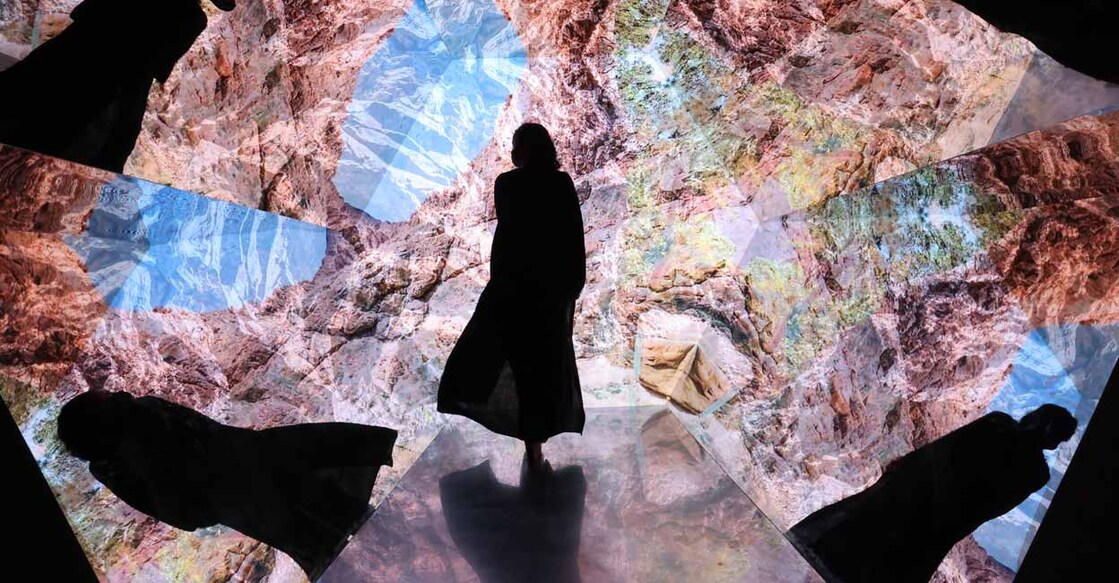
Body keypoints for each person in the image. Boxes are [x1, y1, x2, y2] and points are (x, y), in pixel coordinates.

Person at [56, 389, 396, 578]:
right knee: (342, 506)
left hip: (240, 504)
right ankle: (409, 542)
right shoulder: (140, 413)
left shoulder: (112, 466)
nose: (105, 390)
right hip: (256, 462)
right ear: (97, 410)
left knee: (323, 546)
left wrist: (215, 500)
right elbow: (205, 432)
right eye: (96, 395)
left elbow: (181, 513)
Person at [438, 122, 587, 472]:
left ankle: (531, 442)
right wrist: (571, 291)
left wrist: (500, 285)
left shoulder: (507, 184)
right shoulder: (561, 184)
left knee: (518, 367)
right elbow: (571, 240)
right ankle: (535, 444)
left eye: (514, 145)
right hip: (550, 294)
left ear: (522, 150)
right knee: (544, 368)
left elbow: (507, 241)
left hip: (515, 291)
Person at [790, 404, 1078, 583]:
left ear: (1038, 417)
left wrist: (904, 469)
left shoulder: (999, 424)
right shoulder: (1037, 473)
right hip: (943, 522)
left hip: (915, 491)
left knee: (849, 532)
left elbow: (945, 448)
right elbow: (993, 506)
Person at [0, 0, 235, 173]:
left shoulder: (191, 19)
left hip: (78, 55)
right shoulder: (191, 20)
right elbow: (156, 64)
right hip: (116, 83)